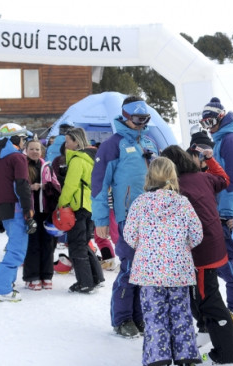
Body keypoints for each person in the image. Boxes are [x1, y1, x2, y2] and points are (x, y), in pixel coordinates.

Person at [161, 145, 233, 364]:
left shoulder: (175, 188)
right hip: (212, 247)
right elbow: (223, 179)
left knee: (209, 300)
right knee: (197, 295)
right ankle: (206, 330)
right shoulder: (203, 177)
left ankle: (227, 354)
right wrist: (211, 160)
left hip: (200, 253)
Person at [124, 157, 203, 366]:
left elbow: (130, 235)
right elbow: (197, 234)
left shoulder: (141, 202)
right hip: (178, 270)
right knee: (181, 313)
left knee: (154, 315)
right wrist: (182, 246)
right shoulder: (183, 203)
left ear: (149, 176)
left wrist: (146, 247)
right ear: (173, 176)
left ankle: (158, 357)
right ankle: (186, 355)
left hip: (149, 272)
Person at [92, 96, 158, 337]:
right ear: (125, 117)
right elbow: (99, 184)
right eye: (138, 119)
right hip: (128, 216)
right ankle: (122, 318)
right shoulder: (113, 144)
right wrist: (100, 220)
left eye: (145, 119)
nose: (142, 124)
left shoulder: (148, 141)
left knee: (146, 270)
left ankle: (139, 316)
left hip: (152, 217)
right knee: (130, 267)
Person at [199, 96, 233, 326]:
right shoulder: (222, 138)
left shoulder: (229, 139)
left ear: (221, 117)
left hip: (225, 209)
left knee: (229, 260)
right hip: (220, 207)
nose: (209, 128)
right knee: (228, 260)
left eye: (211, 122)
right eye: (205, 124)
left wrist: (227, 212)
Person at [0, 123, 33, 302]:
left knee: (14, 246)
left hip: (4, 209)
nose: (23, 143)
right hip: (18, 210)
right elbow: (22, 186)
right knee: (16, 251)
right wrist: (29, 214)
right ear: (14, 139)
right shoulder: (17, 158)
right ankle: (1, 288)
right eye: (22, 139)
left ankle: (6, 284)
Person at [59, 127, 104, 294]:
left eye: (67, 141)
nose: (65, 144)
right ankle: (96, 277)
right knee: (84, 243)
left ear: (76, 142)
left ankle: (84, 282)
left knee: (77, 245)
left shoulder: (78, 160)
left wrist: (61, 204)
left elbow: (70, 185)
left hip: (78, 206)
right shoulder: (92, 158)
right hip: (91, 205)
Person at [22, 139, 58, 290]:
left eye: (37, 149)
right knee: (32, 244)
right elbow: (18, 185)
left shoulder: (46, 166)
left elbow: (56, 186)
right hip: (31, 211)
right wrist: (30, 187)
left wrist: (43, 186)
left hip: (45, 211)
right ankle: (33, 277)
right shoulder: (22, 165)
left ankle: (47, 276)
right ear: (26, 150)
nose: (35, 152)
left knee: (47, 244)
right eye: (32, 149)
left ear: (42, 151)